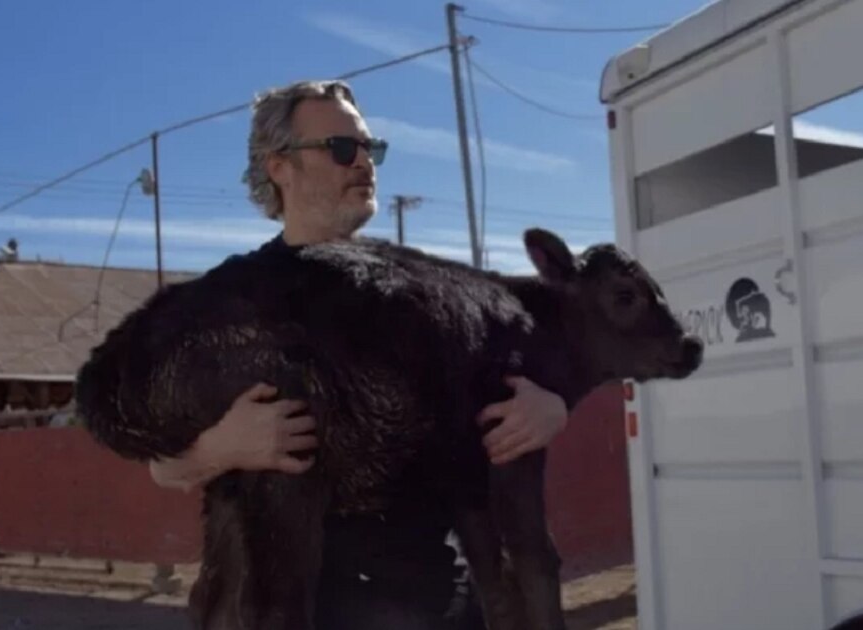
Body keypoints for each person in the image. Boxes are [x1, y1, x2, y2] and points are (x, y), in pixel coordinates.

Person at [146, 79, 570, 628]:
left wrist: (549, 406)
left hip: (433, 605)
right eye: (342, 149)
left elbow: (534, 375)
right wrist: (224, 446)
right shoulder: (227, 305)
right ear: (279, 166)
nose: (364, 163)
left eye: (371, 148)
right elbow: (164, 464)